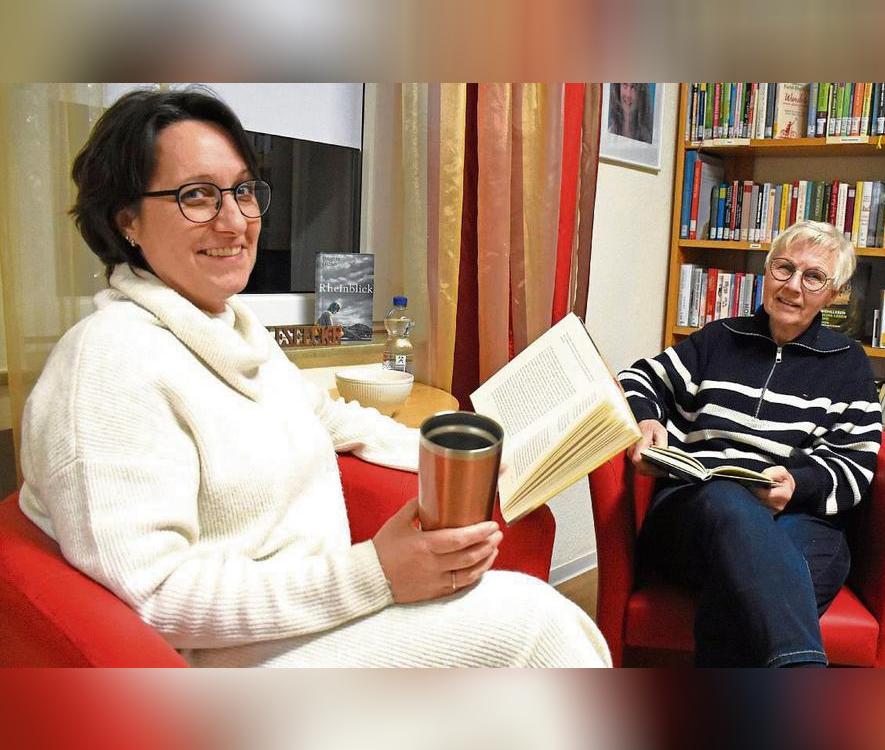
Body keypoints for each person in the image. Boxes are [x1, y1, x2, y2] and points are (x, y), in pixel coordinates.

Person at [17, 88, 610, 667]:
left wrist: (484, 459)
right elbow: (157, 599)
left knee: (537, 618)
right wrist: (376, 573)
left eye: (243, 192)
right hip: (232, 661)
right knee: (537, 625)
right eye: (197, 196)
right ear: (127, 220)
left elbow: (331, 418)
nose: (234, 221)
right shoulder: (109, 362)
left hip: (313, 618)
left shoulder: (233, 332)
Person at [618, 220, 882, 667]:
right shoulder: (720, 339)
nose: (793, 286)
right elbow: (637, 379)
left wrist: (798, 486)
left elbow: (856, 465)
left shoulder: (848, 365)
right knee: (728, 503)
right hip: (696, 512)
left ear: (833, 294)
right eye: (784, 268)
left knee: (756, 579)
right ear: (767, 271)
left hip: (797, 515)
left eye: (813, 277)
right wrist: (645, 421)